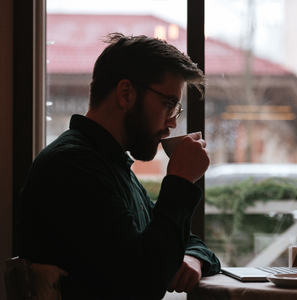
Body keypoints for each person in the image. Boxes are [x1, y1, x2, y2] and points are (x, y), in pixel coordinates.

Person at [18, 33, 221, 300]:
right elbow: (144, 283)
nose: (172, 122)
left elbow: (180, 240)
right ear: (125, 93)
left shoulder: (111, 166)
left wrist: (194, 257)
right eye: (168, 104)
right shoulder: (73, 167)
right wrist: (181, 181)